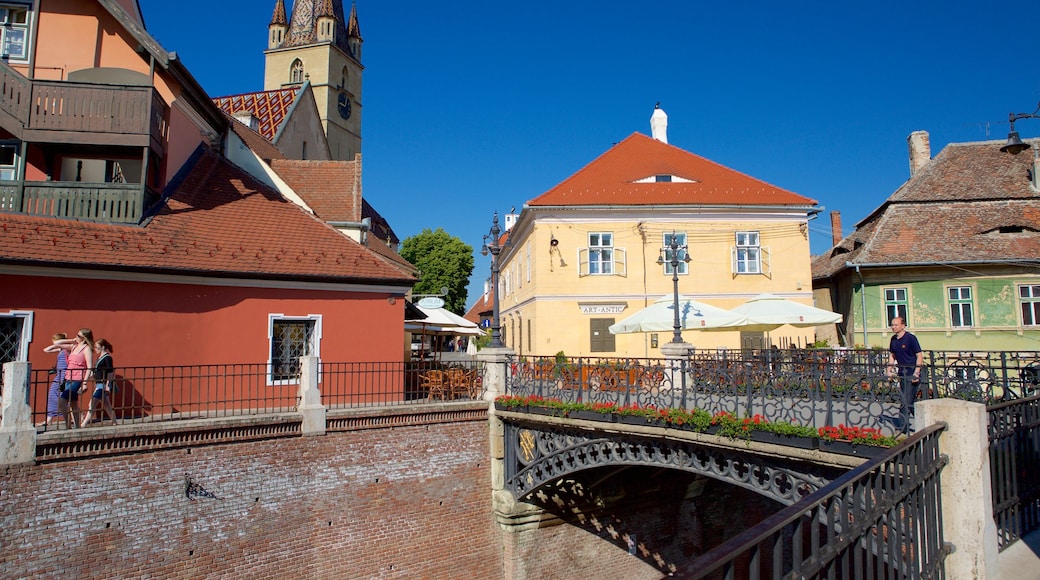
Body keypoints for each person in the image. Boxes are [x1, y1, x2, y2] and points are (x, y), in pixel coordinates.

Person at [53, 328, 95, 429]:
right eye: (77, 335)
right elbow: (56, 343)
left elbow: (89, 366)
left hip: (77, 379)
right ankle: (77, 426)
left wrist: (84, 383)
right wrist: (72, 340)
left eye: (79, 336)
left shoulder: (86, 349)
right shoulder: (73, 347)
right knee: (73, 403)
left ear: (84, 338)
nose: (76, 337)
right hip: (68, 377)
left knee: (62, 401)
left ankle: (68, 425)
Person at [887, 317, 923, 432]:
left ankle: (903, 428)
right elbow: (892, 355)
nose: (893, 327)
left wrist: (916, 372)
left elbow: (919, 355)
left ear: (903, 325)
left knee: (905, 400)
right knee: (909, 401)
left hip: (912, 373)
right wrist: (889, 369)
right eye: (892, 325)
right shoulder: (893, 339)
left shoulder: (910, 338)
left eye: (896, 325)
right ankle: (924, 420)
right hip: (902, 373)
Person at [81, 338, 117, 427]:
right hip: (98, 383)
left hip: (102, 384)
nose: (95, 349)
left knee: (92, 404)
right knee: (107, 405)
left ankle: (84, 424)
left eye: (97, 347)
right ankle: (115, 422)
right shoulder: (99, 357)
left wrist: (108, 385)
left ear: (103, 347)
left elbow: (110, 372)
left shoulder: (107, 358)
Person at [41, 333, 69, 427]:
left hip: (63, 376)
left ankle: (73, 413)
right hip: (58, 375)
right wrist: (57, 345)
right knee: (52, 395)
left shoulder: (66, 350)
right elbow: (46, 350)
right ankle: (49, 419)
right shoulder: (60, 350)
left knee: (61, 397)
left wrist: (59, 344)